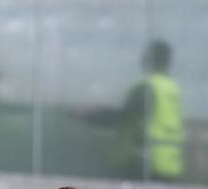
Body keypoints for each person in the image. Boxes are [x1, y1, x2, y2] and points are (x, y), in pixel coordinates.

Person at [77, 40, 183, 181]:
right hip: (169, 164)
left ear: (148, 59)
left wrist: (87, 116)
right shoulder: (171, 88)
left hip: (143, 162)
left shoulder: (148, 87)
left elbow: (123, 117)